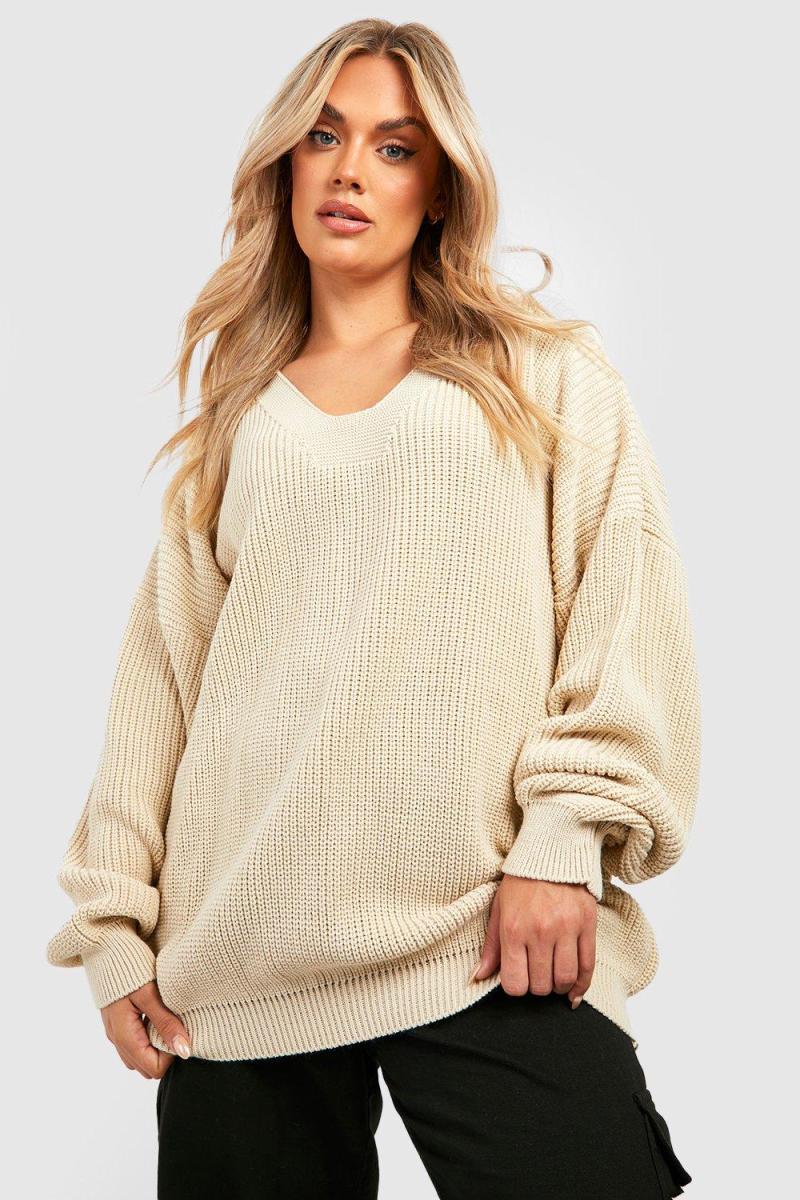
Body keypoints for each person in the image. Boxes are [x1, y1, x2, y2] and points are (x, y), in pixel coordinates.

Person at [45, 18, 699, 1199]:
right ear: (284, 165)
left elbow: (624, 607)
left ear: (438, 187)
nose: (349, 170)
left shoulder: (539, 376)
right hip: (238, 973)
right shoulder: (236, 427)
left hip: (488, 935)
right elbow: (161, 688)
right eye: (323, 137)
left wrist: (563, 841)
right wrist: (111, 932)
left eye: (394, 148)